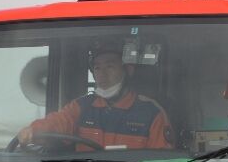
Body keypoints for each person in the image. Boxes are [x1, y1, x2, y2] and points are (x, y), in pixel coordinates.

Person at [16, 41, 173, 150]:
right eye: (97, 68)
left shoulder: (151, 113)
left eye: (109, 66)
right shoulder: (81, 107)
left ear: (128, 70)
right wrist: (34, 130)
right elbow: (58, 122)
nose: (102, 75)